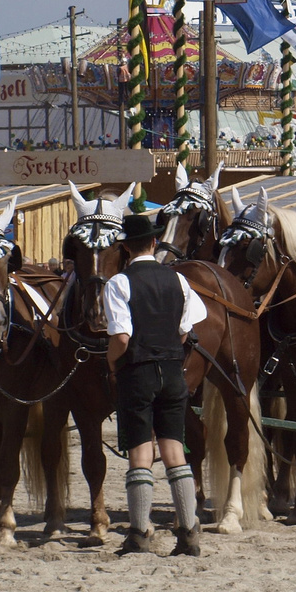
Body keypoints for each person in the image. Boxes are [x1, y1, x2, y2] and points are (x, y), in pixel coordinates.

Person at [104, 212, 208, 557]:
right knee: (175, 451)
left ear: (125, 248)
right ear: (153, 242)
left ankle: (138, 532)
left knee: (140, 453)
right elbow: (185, 328)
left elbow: (121, 337)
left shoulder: (119, 283)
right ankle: (189, 531)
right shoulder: (178, 281)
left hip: (137, 371)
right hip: (173, 370)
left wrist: (110, 362)